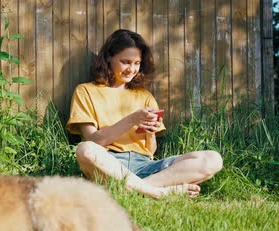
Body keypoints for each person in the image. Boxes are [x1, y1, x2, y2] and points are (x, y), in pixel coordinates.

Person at [66, 29, 223, 199]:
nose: (131, 69)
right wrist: (132, 119)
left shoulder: (144, 96)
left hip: (146, 166)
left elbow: (150, 150)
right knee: (86, 150)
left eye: (136, 63)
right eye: (125, 62)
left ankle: (134, 190)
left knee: (213, 159)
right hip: (109, 165)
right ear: (109, 58)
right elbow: (94, 140)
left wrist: (150, 133)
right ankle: (158, 192)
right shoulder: (86, 91)